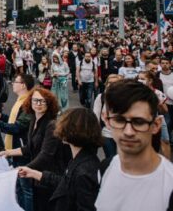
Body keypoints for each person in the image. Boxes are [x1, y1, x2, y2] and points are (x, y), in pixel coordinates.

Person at [95, 80, 173, 211]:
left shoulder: (169, 183)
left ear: (156, 125)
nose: (128, 132)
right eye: (119, 120)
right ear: (106, 120)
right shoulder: (105, 169)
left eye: (139, 122)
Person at [0, 87, 71, 211]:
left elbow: (46, 155)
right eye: (35, 100)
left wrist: (24, 169)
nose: (38, 104)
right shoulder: (34, 120)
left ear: (49, 104)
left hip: (49, 176)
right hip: (38, 175)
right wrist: (8, 152)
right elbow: (30, 147)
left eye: (43, 101)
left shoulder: (51, 125)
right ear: (30, 102)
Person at [18, 107, 102, 211]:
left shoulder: (84, 171)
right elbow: (66, 183)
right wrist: (33, 173)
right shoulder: (81, 159)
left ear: (70, 131)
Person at [0, 73, 34, 211]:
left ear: (23, 85)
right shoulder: (21, 100)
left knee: (25, 188)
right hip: (15, 149)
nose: (13, 83)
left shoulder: (27, 103)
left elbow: (18, 128)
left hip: (21, 150)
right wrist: (2, 116)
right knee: (19, 186)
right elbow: (15, 121)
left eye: (16, 81)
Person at [93, 74, 123, 159]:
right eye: (109, 83)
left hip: (122, 134)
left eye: (115, 83)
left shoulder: (126, 97)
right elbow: (96, 115)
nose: (111, 85)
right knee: (111, 158)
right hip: (106, 133)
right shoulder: (101, 97)